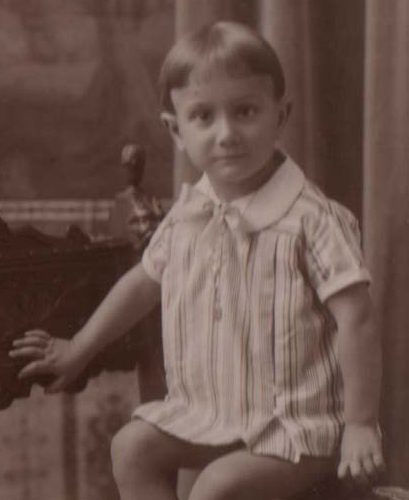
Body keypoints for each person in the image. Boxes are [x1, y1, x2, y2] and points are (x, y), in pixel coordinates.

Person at [9, 21, 385, 500]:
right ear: (176, 130)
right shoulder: (191, 212)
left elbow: (357, 320)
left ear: (281, 114)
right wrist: (79, 347)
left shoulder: (312, 220)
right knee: (131, 447)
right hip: (214, 414)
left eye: (246, 111)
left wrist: (361, 423)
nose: (227, 134)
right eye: (204, 116)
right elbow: (142, 283)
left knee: (215, 488)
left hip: (298, 427)